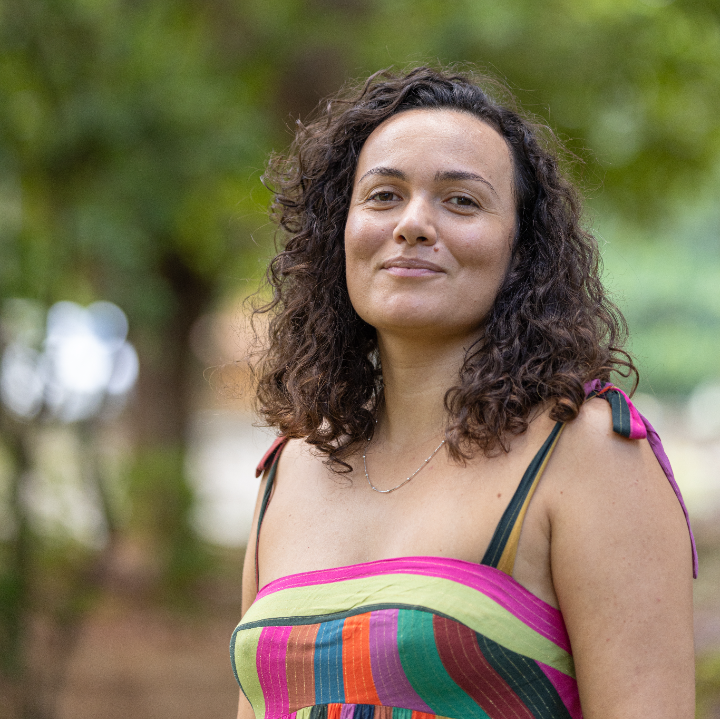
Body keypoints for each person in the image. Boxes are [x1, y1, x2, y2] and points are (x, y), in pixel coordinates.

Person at [231, 67, 697, 719]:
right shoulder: (292, 467)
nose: (413, 224)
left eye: (461, 201)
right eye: (384, 195)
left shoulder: (588, 452)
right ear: (341, 229)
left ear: (521, 248)